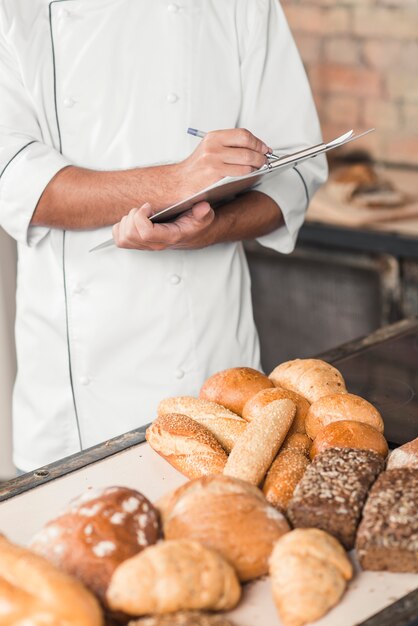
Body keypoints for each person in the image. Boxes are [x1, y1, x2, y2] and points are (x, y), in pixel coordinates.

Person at [0, 0, 327, 472]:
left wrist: (213, 228)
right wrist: (176, 182)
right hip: (71, 402)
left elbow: (296, 170)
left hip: (212, 370)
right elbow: (23, 187)